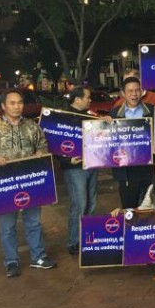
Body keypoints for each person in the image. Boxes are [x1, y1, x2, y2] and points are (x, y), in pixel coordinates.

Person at [0, 89, 57, 277]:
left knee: (34, 222)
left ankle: (38, 256)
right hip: (5, 185)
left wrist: (40, 152)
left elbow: (42, 144)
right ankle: (12, 261)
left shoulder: (32, 126)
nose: (17, 106)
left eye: (20, 102)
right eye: (12, 103)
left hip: (31, 182)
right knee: (7, 226)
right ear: (3, 106)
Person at [60, 86, 99, 255]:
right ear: (77, 99)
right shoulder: (63, 118)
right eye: (88, 97)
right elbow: (55, 143)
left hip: (92, 165)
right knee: (80, 204)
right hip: (74, 168)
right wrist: (67, 159)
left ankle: (87, 238)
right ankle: (74, 241)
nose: (90, 100)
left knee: (91, 203)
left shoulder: (88, 117)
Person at [111, 76, 155, 208]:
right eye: (130, 91)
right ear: (123, 94)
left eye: (137, 90)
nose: (134, 94)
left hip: (150, 168)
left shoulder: (152, 111)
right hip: (126, 172)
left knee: (150, 209)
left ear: (142, 92)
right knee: (129, 211)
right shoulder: (114, 114)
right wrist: (104, 124)